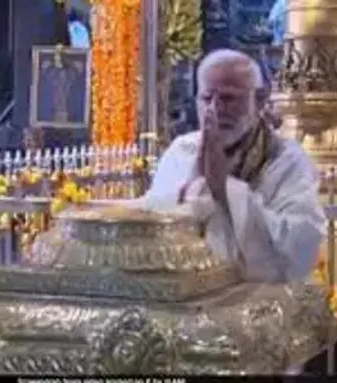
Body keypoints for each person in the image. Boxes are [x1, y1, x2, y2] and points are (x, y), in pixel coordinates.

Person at [127, 49, 325, 282]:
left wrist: (224, 190)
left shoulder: (286, 160)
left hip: (257, 300)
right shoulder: (182, 151)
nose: (215, 109)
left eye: (229, 98)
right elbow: (156, 225)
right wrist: (195, 185)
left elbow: (301, 245)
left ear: (260, 100)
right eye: (206, 98)